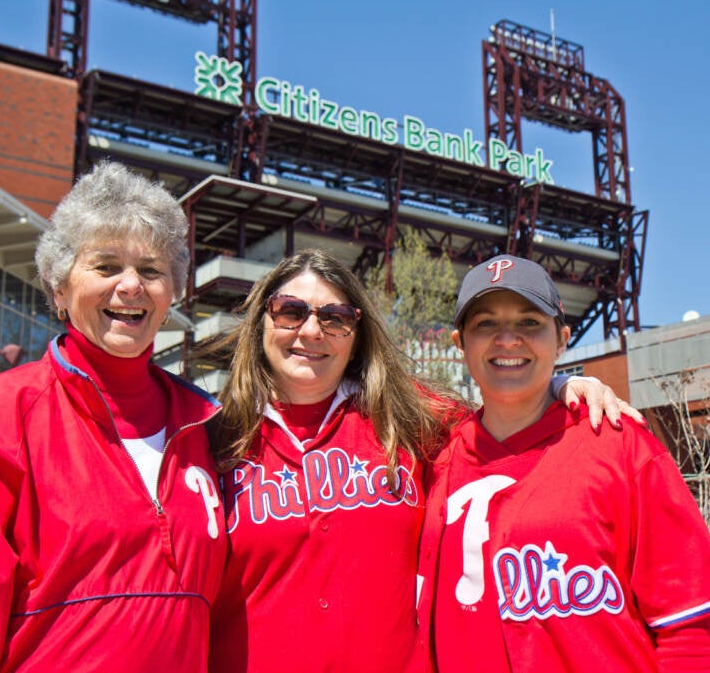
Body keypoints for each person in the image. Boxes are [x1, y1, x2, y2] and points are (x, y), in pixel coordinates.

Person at [207, 249, 639, 672]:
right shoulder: (209, 438)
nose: (311, 330)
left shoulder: (410, 415)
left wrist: (559, 385)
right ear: (261, 321)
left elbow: (506, 417)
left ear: (357, 334)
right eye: (290, 311)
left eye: (334, 317)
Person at [0, 161, 226, 672]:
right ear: (59, 289)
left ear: (171, 291)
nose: (131, 285)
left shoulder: (206, 424)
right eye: (106, 267)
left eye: (151, 271)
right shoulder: (4, 413)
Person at [416, 255, 710, 672]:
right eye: (485, 324)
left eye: (530, 322)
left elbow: (687, 632)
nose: (508, 339)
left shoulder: (622, 444)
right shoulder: (432, 456)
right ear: (460, 344)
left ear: (563, 339)